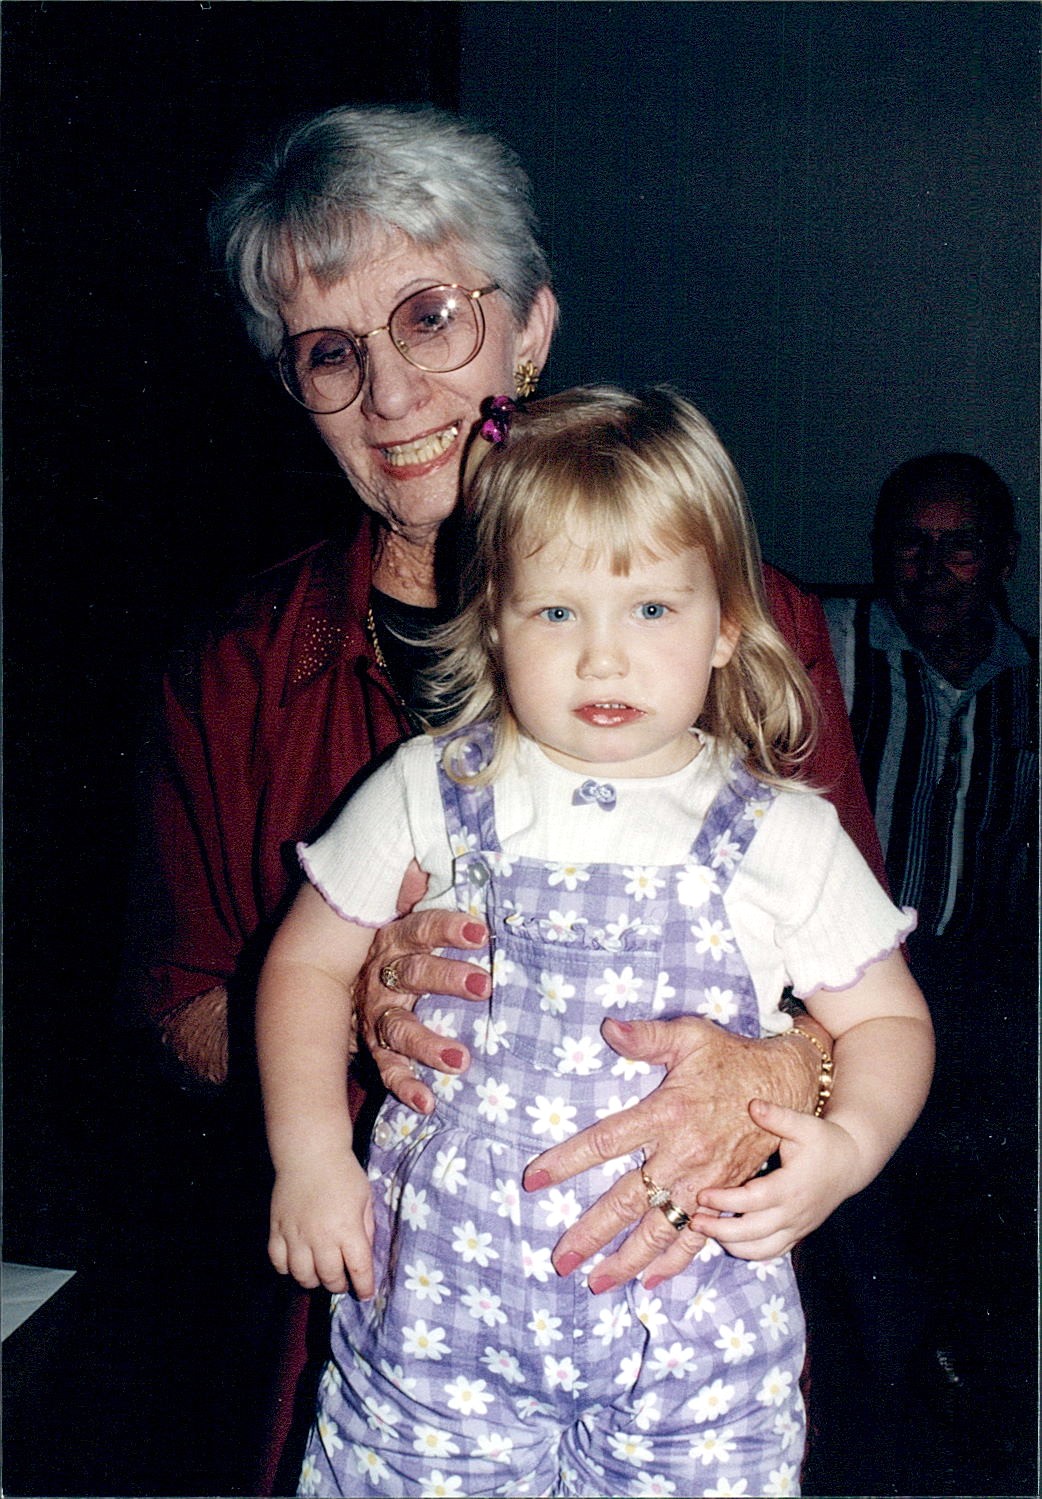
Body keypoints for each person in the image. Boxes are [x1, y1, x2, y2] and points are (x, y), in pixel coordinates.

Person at [128, 105, 886, 1490]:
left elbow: (863, 990)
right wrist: (353, 1010)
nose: (391, 394)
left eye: (429, 317)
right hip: (401, 1326)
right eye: (331, 353)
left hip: (682, 1328)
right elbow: (183, 1014)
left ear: (527, 328)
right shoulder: (233, 668)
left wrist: (780, 1079)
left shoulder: (748, 620)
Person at [257, 386, 932, 1499]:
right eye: (557, 612)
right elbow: (307, 963)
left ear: (726, 621)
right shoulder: (433, 785)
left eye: (651, 608)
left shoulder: (781, 831)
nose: (603, 658)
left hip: (694, 1338)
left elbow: (890, 1021)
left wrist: (849, 1145)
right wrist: (313, 1154)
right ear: (493, 620)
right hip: (439, 1327)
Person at [810, 452, 1038, 1494]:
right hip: (840, 986)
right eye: (910, 542)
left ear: (1004, 559)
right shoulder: (833, 649)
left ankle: (960, 1396)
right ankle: (872, 1411)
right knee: (855, 1205)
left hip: (979, 987)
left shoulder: (1030, 685)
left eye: (960, 545)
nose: (932, 567)